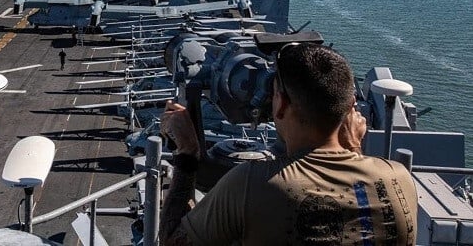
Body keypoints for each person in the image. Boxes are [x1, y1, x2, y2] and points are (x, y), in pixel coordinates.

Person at [160, 43, 417, 245]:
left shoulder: (251, 185)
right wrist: (352, 150)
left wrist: (188, 152)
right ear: (351, 107)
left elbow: (172, 241)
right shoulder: (398, 179)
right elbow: (355, 206)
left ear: (280, 104)